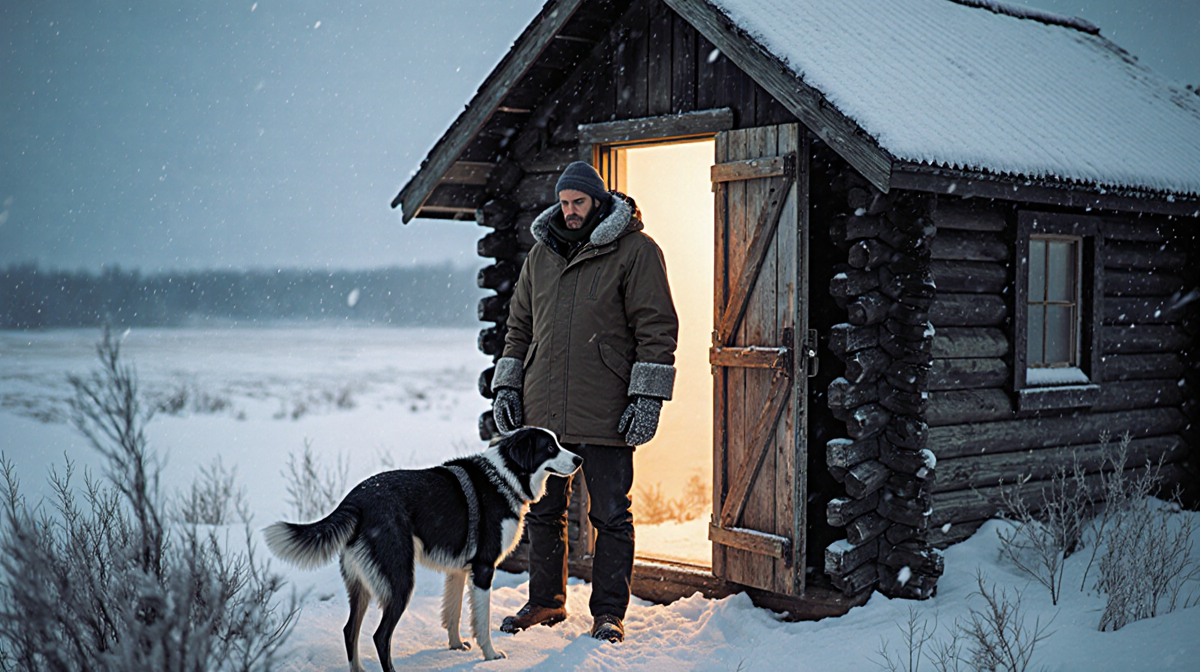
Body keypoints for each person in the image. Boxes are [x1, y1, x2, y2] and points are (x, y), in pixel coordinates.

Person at [490, 161, 678, 643]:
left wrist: (647, 397)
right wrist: (508, 386)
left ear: (596, 200)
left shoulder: (635, 251)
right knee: (544, 512)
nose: (570, 212)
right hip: (545, 413)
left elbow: (656, 329)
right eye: (565, 202)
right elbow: (518, 328)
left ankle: (609, 613)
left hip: (607, 408)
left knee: (610, 514)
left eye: (579, 202)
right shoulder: (541, 255)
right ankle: (546, 603)